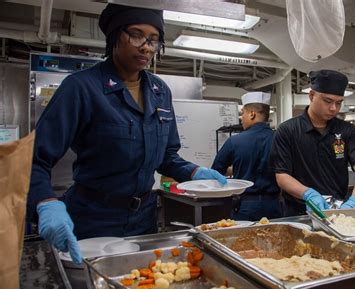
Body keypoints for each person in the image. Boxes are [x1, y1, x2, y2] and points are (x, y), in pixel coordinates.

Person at [27, 4, 226, 264]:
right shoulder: (82, 88)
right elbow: (34, 158)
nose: (146, 46)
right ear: (114, 37)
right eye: (136, 35)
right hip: (93, 218)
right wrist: (46, 203)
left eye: (153, 40)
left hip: (144, 218)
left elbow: (166, 156)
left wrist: (193, 172)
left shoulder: (159, 90)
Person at [270, 70, 355, 216]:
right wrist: (309, 194)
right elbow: (282, 176)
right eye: (328, 101)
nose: (333, 109)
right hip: (299, 212)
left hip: (337, 212)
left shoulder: (347, 131)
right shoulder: (288, 131)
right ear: (311, 95)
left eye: (338, 103)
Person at [212, 92, 281, 221]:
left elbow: (216, 171)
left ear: (252, 114)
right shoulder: (279, 139)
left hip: (245, 206)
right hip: (275, 205)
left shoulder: (235, 141)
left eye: (242, 113)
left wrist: (237, 170)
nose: (241, 118)